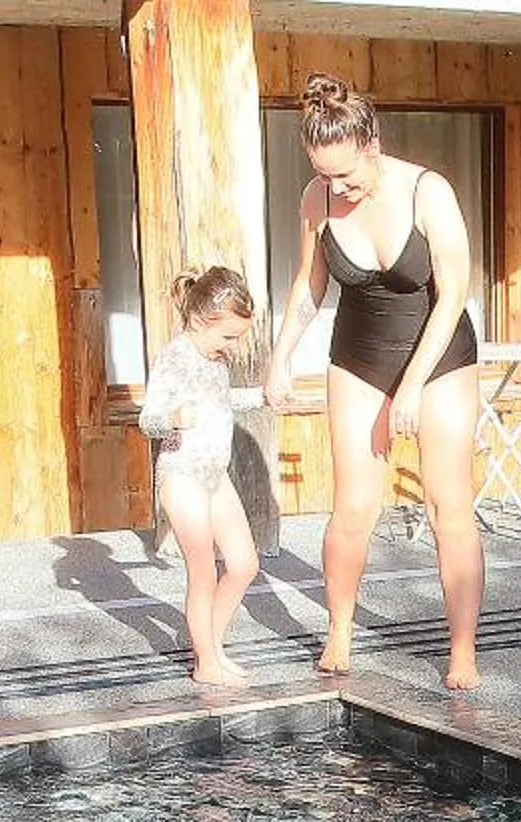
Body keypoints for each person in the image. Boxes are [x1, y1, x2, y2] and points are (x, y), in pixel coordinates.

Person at [266, 74, 486, 692]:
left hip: (440, 357)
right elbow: (309, 287)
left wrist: (412, 386)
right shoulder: (318, 199)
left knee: (449, 506)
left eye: (347, 175)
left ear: (372, 143)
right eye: (325, 175)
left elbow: (453, 295)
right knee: (353, 507)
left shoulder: (428, 192)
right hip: (358, 357)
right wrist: (280, 356)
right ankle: (339, 630)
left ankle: (462, 650)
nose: (338, 187)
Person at [140, 265, 263, 690]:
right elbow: (147, 420)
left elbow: (222, 403)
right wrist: (172, 418)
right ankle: (207, 661)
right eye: (227, 336)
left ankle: (209, 645)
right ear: (199, 319)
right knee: (203, 570)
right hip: (181, 474)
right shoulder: (174, 357)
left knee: (245, 564)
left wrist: (265, 396)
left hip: (214, 472)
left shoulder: (216, 360)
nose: (231, 346)